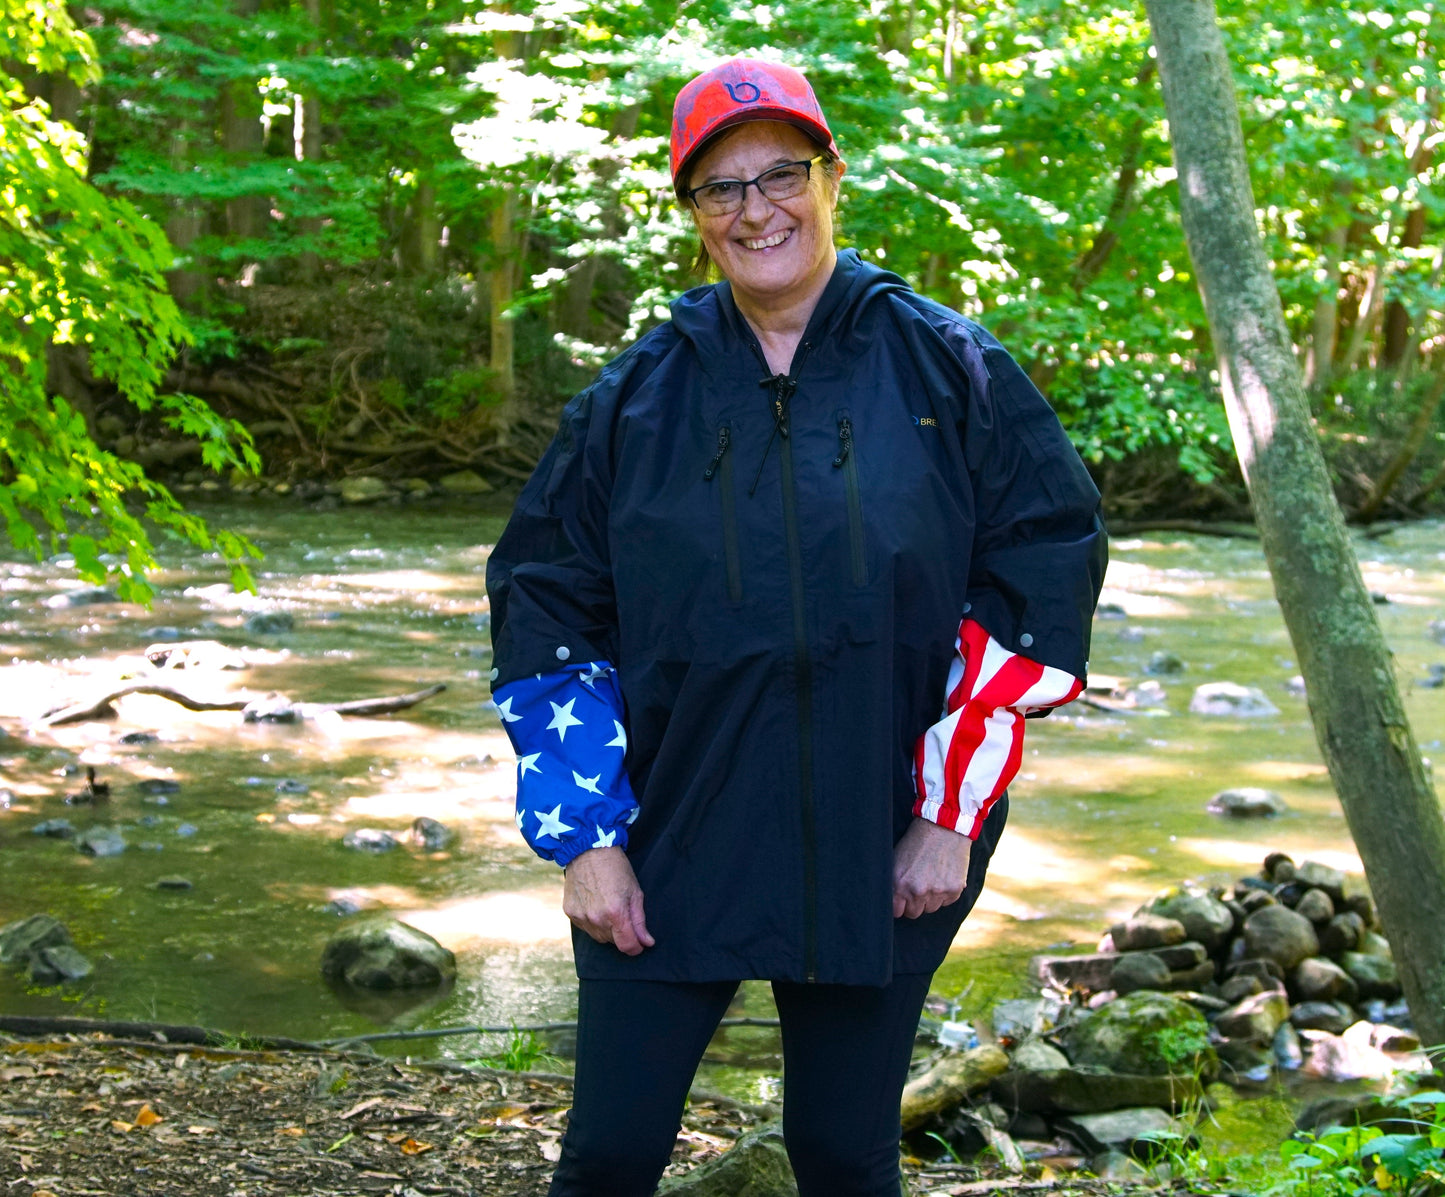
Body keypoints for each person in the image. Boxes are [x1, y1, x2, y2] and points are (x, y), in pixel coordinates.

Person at [485, 57, 1106, 1197]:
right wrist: (587, 838)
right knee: (610, 1157)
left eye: (780, 174)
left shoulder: (950, 369)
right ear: (691, 215)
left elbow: (1039, 573)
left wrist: (944, 813)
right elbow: (545, 608)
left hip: (884, 827)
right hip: (668, 825)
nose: (754, 209)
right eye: (719, 188)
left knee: (839, 1151)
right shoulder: (630, 401)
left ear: (832, 179)